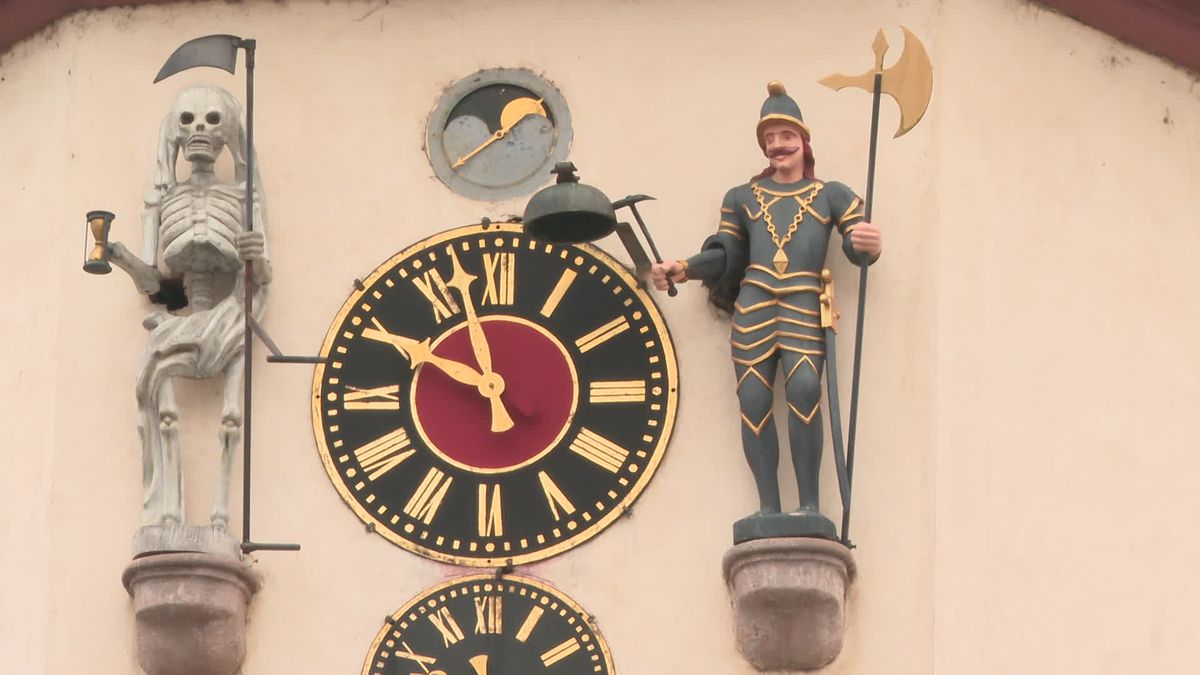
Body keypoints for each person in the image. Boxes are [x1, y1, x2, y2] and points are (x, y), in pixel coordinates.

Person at [651, 81, 881, 540]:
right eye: (769, 138)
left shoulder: (830, 194)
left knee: (803, 391)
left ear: (803, 139)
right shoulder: (742, 198)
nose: (777, 144)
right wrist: (686, 267)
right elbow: (727, 254)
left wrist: (864, 244)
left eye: (784, 134)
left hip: (800, 302)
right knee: (754, 402)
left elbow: (856, 240)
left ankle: (809, 504)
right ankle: (768, 506)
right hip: (754, 305)